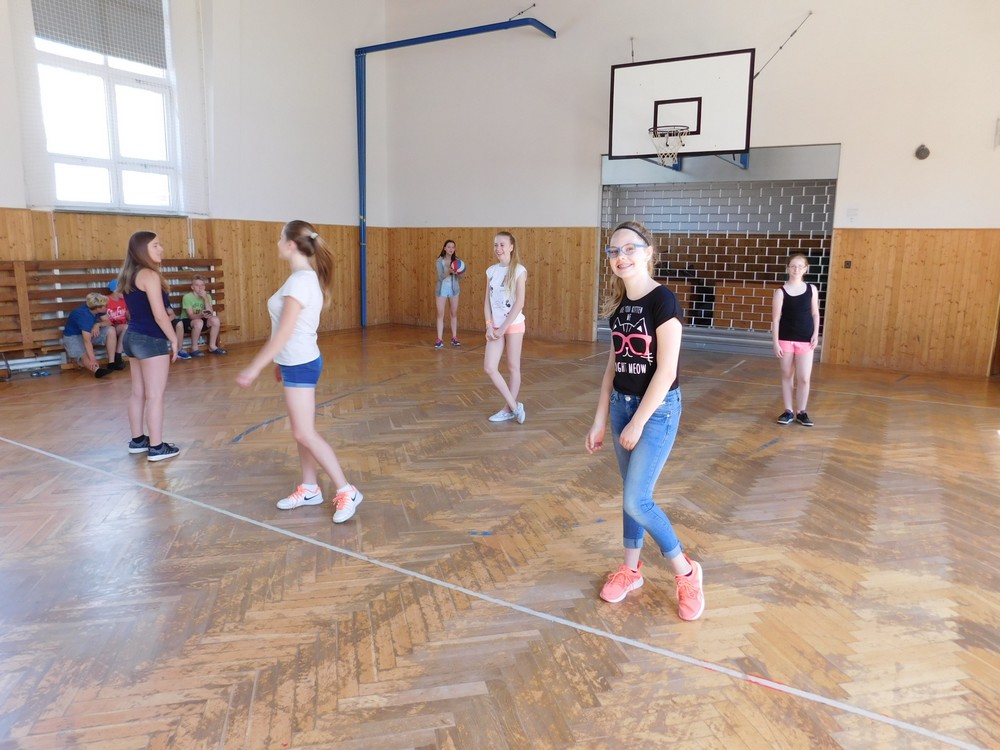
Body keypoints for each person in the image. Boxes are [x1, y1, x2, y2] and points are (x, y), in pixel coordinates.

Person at [585, 220, 704, 621]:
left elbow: (666, 371)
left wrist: (638, 421)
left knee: (637, 499)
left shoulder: (663, 301)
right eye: (614, 251)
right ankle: (631, 570)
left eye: (629, 249)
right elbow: (613, 368)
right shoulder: (619, 307)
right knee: (630, 495)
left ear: (648, 252)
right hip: (622, 405)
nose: (621, 257)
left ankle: (686, 572)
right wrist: (600, 419)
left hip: (657, 411)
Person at [236, 220, 363, 524]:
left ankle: (347, 490)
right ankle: (309, 488)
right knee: (301, 430)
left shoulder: (300, 281)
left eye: (281, 238)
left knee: (304, 432)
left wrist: (254, 367)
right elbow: (290, 331)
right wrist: (279, 362)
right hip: (295, 362)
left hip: (302, 363)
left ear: (291, 244)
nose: (278, 242)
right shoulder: (301, 279)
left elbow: (284, 332)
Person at [117, 231, 181, 462]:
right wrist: (174, 339)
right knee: (155, 395)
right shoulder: (149, 275)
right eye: (155, 245)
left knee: (138, 393)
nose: (161, 249)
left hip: (132, 337)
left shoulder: (130, 275)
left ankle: (138, 441)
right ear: (142, 249)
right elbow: (160, 315)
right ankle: (156, 447)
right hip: (150, 339)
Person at [483, 231, 527, 424]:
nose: (498, 248)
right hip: (495, 327)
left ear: (511, 247)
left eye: (502, 244)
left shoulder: (519, 270)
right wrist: (489, 325)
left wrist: (503, 328)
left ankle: (508, 409)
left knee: (513, 366)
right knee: (489, 367)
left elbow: (519, 302)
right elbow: (487, 302)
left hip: (514, 325)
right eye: (496, 245)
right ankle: (515, 406)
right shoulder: (491, 271)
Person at [772, 254, 820, 427]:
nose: (796, 269)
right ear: (788, 268)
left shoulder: (811, 289)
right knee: (787, 374)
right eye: (793, 266)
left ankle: (802, 411)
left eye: (800, 266)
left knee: (804, 377)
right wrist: (775, 342)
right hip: (785, 339)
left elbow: (815, 313)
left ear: (806, 269)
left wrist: (816, 334)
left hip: (806, 339)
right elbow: (776, 319)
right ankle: (788, 411)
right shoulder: (780, 292)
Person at [60, 292, 122, 378]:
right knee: (83, 354)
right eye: (105, 306)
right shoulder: (84, 316)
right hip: (73, 336)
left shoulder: (95, 308)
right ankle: (97, 370)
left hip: (88, 333)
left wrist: (97, 324)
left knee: (111, 330)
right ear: (98, 308)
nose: (107, 307)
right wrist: (93, 359)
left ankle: (112, 363)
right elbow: (87, 341)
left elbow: (108, 322)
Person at [174, 275, 226, 359]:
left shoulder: (207, 296)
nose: (200, 287)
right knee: (199, 322)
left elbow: (210, 312)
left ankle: (212, 346)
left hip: (202, 319)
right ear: (192, 287)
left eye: (202, 285)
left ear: (204, 287)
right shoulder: (187, 297)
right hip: (187, 322)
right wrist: (201, 315)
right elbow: (190, 316)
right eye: (197, 285)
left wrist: (205, 298)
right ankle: (194, 348)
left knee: (215, 320)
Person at [434, 240, 463, 349]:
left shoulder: (458, 261)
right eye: (449, 247)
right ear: (445, 248)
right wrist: (449, 271)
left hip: (454, 290)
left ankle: (454, 337)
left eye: (453, 247)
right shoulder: (439, 261)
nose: (451, 249)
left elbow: (461, 277)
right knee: (440, 313)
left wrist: (457, 272)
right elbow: (440, 277)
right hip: (441, 290)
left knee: (453, 313)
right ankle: (439, 339)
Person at [105, 279, 128, 367]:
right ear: (115, 290)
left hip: (121, 327)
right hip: (109, 327)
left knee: (126, 327)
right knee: (125, 327)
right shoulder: (106, 300)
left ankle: (118, 356)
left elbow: (128, 315)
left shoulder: (124, 301)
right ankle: (116, 358)